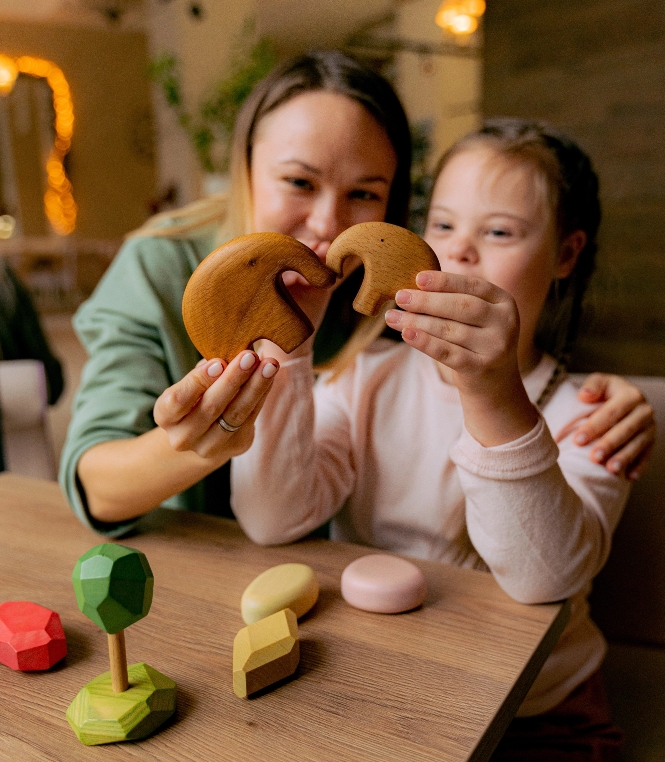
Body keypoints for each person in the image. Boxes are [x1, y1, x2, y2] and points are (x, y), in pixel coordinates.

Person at [60, 51, 654, 539]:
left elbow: (497, 370)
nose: (326, 223)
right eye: (298, 181)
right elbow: (96, 483)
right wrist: (198, 445)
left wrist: (615, 397)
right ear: (242, 168)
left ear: (393, 208)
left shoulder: (381, 292)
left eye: (364, 194)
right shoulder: (163, 267)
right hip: (190, 561)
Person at [230, 118, 635, 759]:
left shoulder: (592, 415)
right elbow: (270, 518)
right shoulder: (365, 381)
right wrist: (293, 347)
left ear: (565, 253)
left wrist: (492, 394)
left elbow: (544, 578)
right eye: (443, 225)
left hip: (540, 713)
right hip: (391, 693)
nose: (462, 251)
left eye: (499, 231)